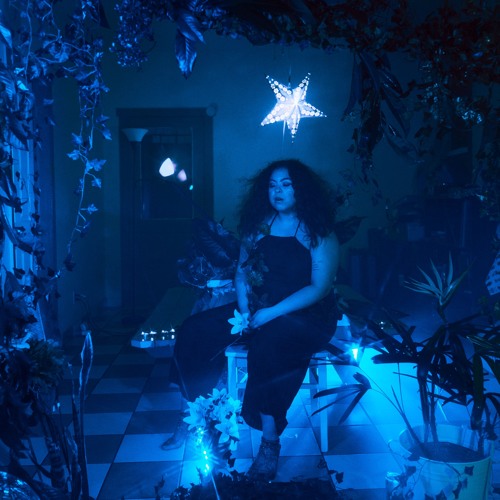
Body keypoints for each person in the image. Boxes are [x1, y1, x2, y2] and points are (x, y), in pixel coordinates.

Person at [164, 158, 340, 481]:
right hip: (259, 308)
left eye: (286, 184)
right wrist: (246, 310)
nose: (278, 191)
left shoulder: (318, 232)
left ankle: (269, 441)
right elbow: (242, 273)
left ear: (301, 189)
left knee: (268, 343)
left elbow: (319, 287)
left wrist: (270, 313)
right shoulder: (259, 227)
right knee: (194, 330)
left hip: (307, 314)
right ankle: (193, 414)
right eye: (272, 186)